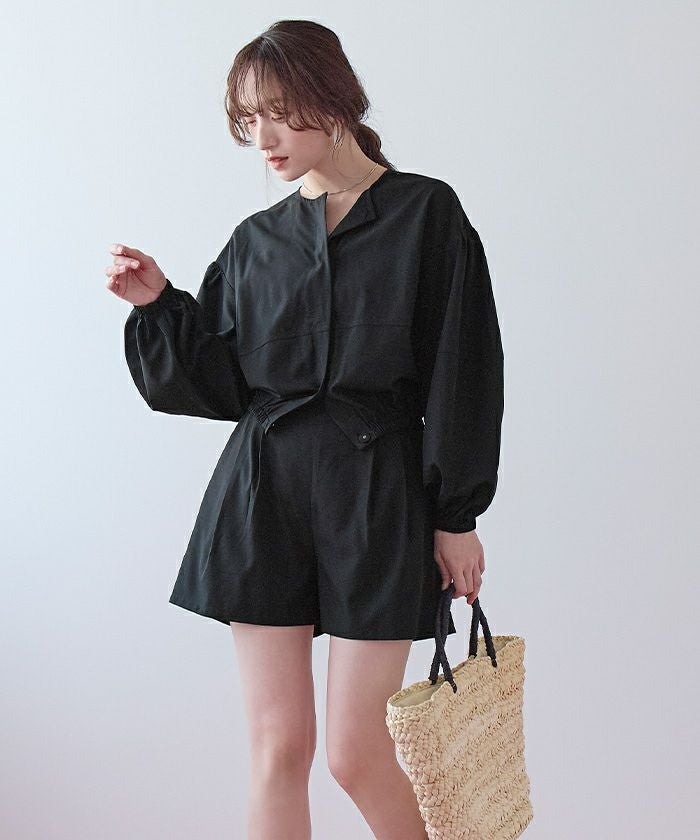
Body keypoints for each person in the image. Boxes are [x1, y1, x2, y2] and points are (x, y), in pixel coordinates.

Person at [106, 19, 504, 840]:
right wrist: (159, 306)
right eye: (249, 119)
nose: (264, 139)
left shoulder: (425, 214)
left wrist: (456, 514)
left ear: (334, 98)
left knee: (358, 753)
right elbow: (220, 383)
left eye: (279, 112)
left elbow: (463, 370)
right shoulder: (257, 242)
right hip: (264, 497)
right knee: (277, 750)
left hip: (376, 495)